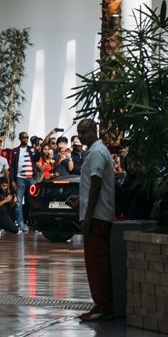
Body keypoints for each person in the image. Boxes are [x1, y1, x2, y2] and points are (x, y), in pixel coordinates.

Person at [65, 119, 115, 321]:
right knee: (98, 261)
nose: (81, 136)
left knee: (97, 262)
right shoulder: (96, 152)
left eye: (84, 132)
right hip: (98, 213)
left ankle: (103, 305)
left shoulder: (96, 153)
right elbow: (93, 186)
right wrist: (80, 198)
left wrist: (87, 217)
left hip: (97, 216)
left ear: (94, 131)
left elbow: (95, 184)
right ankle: (104, 303)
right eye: (79, 132)